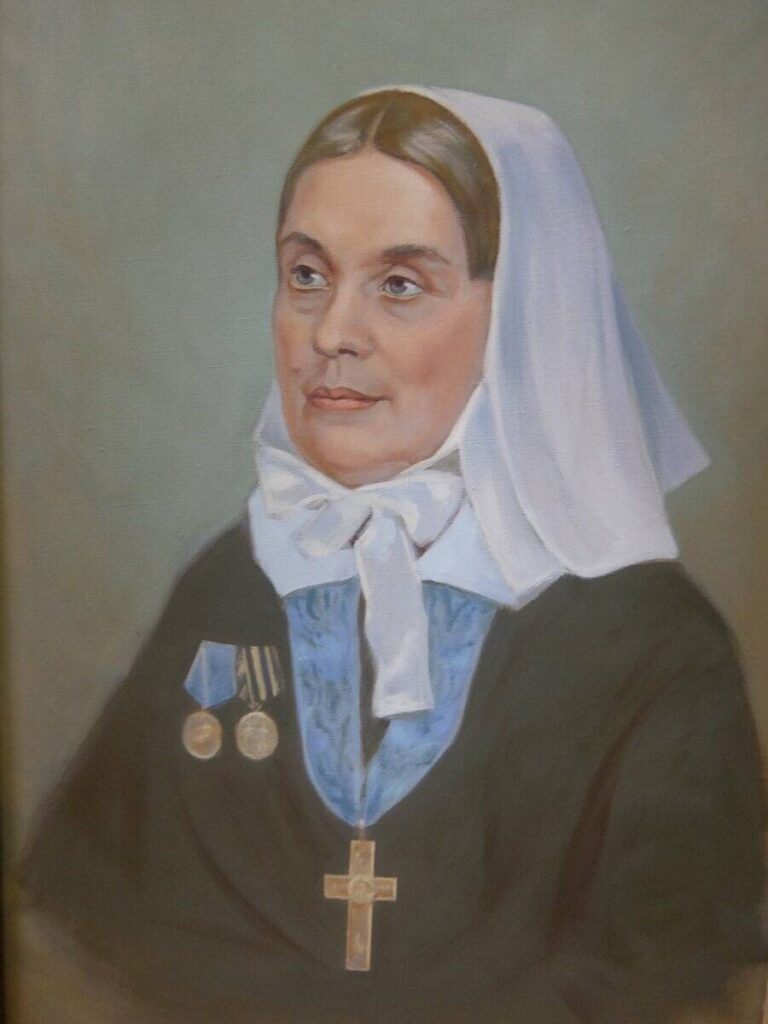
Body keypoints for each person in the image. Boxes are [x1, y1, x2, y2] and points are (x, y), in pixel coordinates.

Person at [17, 86, 767, 1024]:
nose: (331, 333)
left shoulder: (652, 642)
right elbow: (81, 930)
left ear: (524, 318)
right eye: (306, 275)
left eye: (400, 285)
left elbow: (679, 983)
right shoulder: (227, 588)